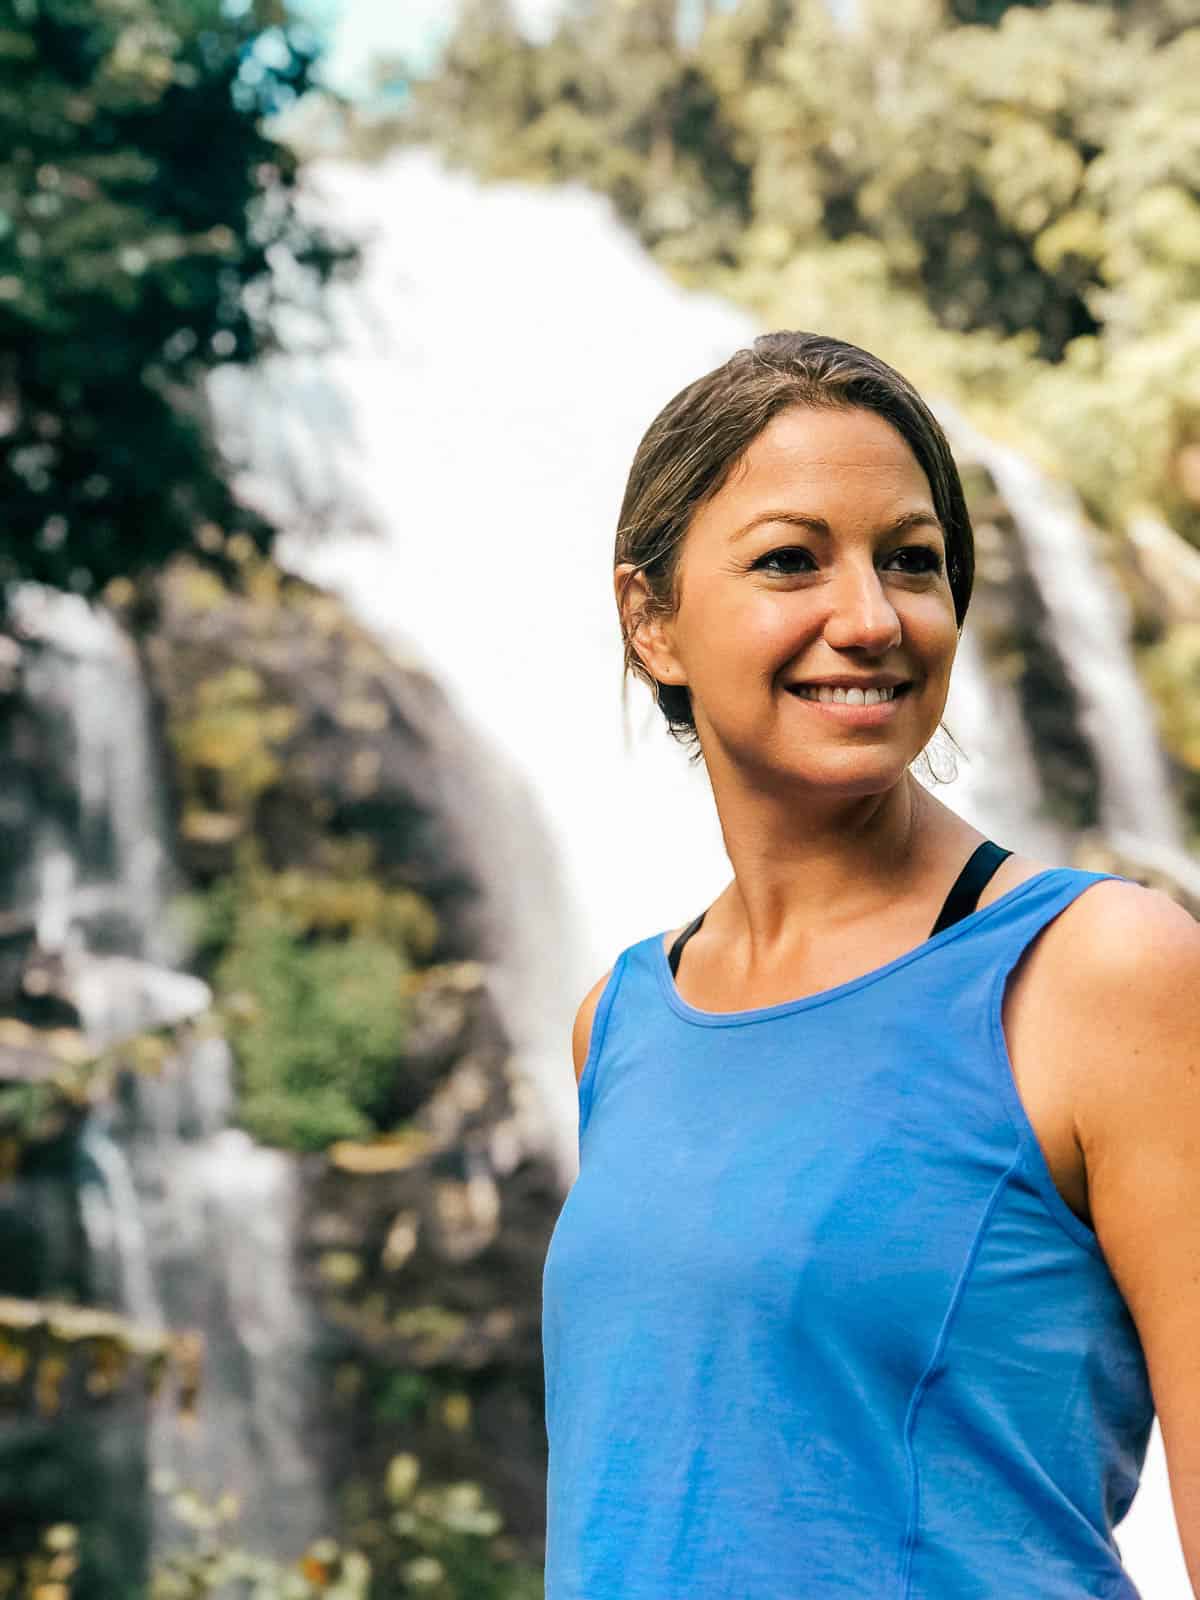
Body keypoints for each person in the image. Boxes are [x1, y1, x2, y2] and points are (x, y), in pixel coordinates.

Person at [540, 330, 1200, 1599]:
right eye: (793, 561)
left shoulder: (1101, 971)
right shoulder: (616, 1021)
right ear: (652, 620)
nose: (872, 617)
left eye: (913, 561)